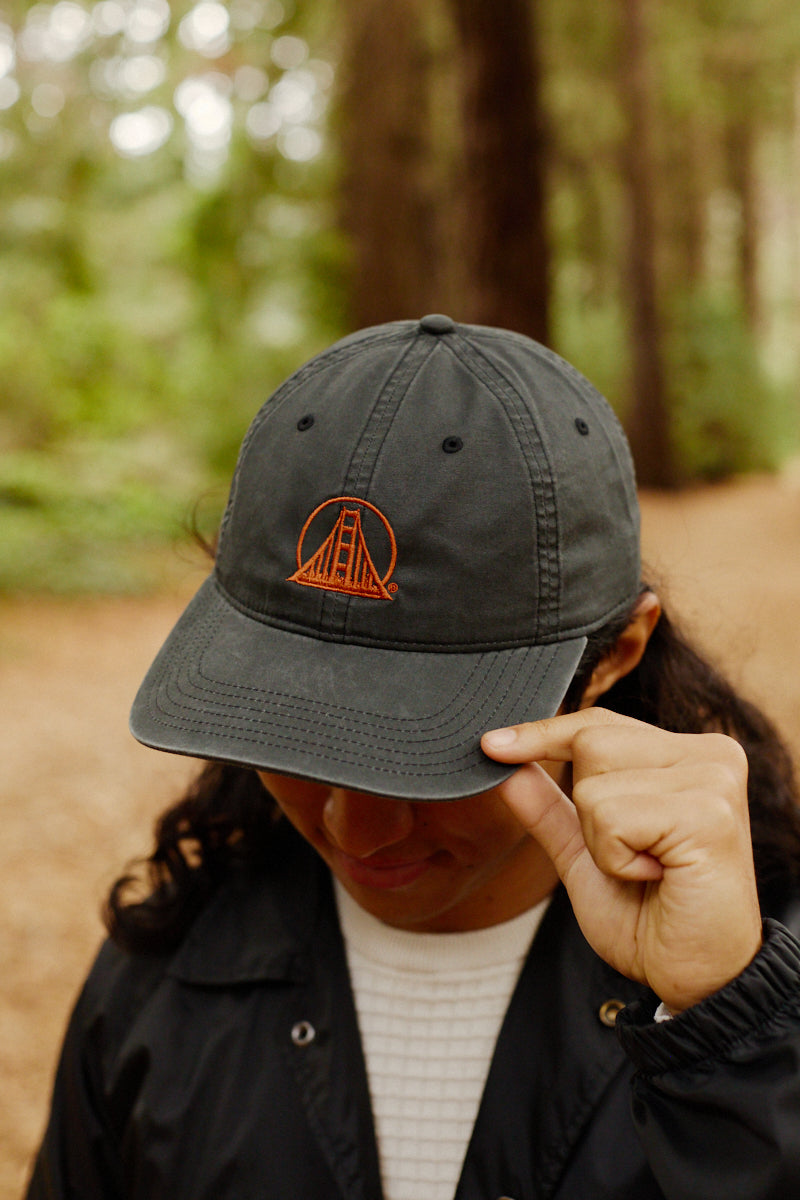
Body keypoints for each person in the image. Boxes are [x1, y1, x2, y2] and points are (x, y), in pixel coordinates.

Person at [27, 315, 800, 1200]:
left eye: (430, 749)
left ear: (618, 653)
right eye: (295, 731)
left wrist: (724, 1035)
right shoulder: (157, 985)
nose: (356, 827)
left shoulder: (759, 990)